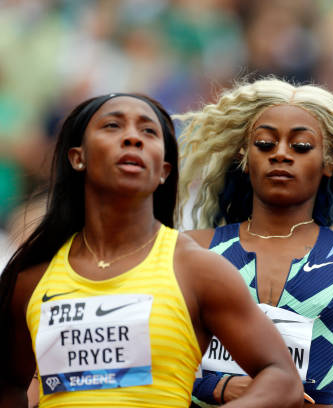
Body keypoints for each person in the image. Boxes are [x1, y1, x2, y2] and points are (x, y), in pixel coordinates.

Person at [0, 93, 303, 408]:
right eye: (113, 126)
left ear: (164, 170)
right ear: (78, 158)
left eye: (149, 132)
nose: (132, 137)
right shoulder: (32, 280)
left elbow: (282, 378)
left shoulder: (198, 270)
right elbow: (9, 386)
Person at [175, 78, 333, 407]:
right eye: (265, 143)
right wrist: (221, 388)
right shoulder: (190, 251)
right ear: (244, 156)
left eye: (300, 146)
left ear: (329, 162)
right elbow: (157, 363)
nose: (281, 154)